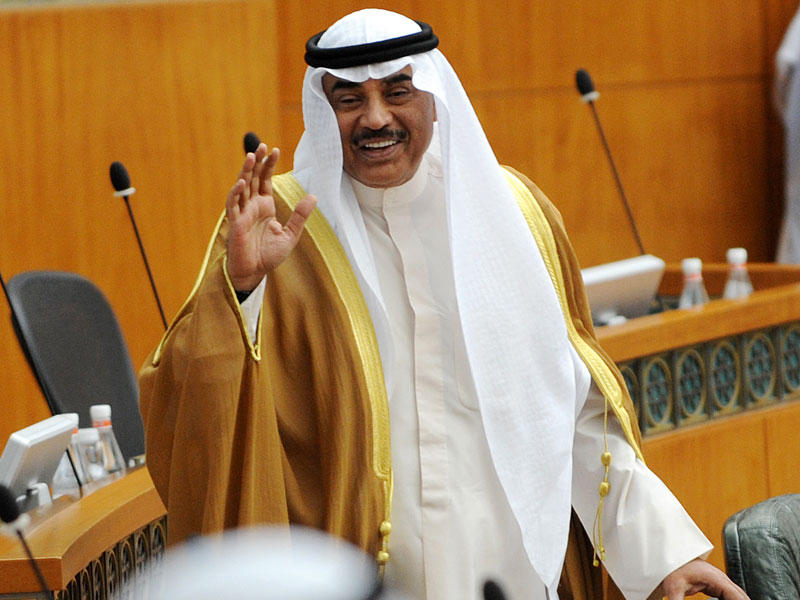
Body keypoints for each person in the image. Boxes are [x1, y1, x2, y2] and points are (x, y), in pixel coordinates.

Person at [139, 9, 748, 600]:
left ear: (433, 94)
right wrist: (242, 289)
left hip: (510, 575)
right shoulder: (278, 229)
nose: (375, 118)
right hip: (368, 578)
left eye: (397, 91)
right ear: (324, 110)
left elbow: (570, 414)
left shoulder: (516, 215)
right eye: (349, 99)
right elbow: (194, 408)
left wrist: (661, 555)